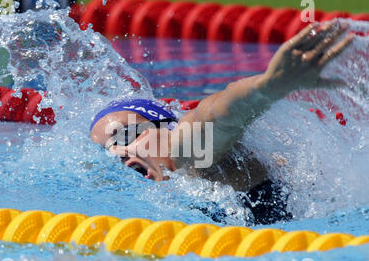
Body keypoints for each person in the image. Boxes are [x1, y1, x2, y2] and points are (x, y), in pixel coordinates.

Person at [89, 21, 354, 225]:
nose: (117, 154)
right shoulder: (156, 198)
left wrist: (268, 85)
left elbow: (214, 115)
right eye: (106, 152)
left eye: (123, 138)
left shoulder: (192, 156)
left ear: (164, 127)